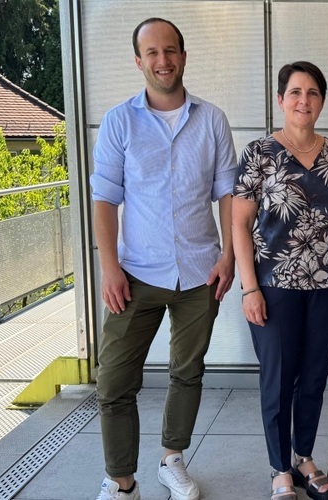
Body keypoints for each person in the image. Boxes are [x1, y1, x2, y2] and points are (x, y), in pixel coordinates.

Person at [89, 17, 236, 500]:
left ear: (184, 56)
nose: (162, 60)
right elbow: (105, 199)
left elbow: (228, 196)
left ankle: (172, 459)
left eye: (170, 50)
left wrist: (229, 256)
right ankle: (121, 479)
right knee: (114, 381)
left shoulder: (212, 119)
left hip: (199, 272)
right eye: (152, 52)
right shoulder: (118, 121)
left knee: (187, 372)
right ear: (138, 61)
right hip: (133, 273)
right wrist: (109, 267)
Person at [232, 61, 328, 500]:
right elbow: (239, 223)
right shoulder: (259, 153)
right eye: (295, 92)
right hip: (273, 287)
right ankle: (279, 467)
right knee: (278, 377)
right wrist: (249, 287)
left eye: (312, 93)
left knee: (313, 376)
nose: (303, 100)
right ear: (280, 100)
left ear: (321, 101)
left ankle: (304, 455)